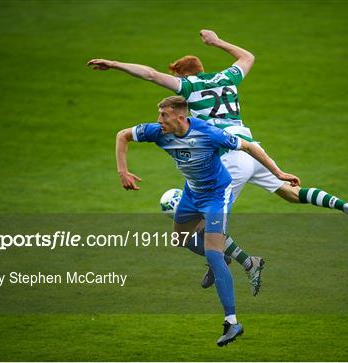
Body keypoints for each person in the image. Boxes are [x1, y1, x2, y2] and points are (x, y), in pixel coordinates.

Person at [88, 29, 348, 294]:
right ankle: (346, 205)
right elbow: (248, 56)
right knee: (291, 194)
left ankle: (237, 263)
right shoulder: (228, 78)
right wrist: (217, 42)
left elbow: (149, 74)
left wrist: (114, 64)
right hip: (251, 149)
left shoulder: (187, 87)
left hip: (229, 160)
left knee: (193, 229)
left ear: (185, 75)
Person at [115, 95, 300, 346]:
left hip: (216, 196)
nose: (159, 120)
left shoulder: (208, 133)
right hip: (191, 194)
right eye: (159, 115)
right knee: (180, 240)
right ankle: (231, 258)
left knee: (212, 252)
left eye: (164, 115)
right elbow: (122, 135)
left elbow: (248, 146)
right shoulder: (157, 132)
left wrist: (278, 173)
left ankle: (232, 322)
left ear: (180, 117)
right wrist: (122, 171)